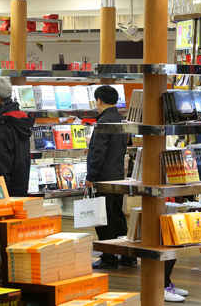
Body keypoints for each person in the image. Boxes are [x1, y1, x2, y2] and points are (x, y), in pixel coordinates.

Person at [86, 85, 137, 269]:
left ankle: (109, 256)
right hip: (118, 175)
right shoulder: (122, 120)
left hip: (103, 177)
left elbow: (98, 153)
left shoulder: (103, 122)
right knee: (117, 215)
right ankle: (127, 255)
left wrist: (90, 176)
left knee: (103, 218)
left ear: (99, 100)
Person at [0, 77, 35, 197]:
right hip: (20, 186)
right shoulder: (19, 118)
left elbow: (1, 161)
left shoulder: (3, 123)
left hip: (5, 192)